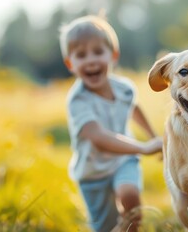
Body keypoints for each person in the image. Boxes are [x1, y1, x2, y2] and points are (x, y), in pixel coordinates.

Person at [59, 15, 163, 232]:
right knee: (104, 227)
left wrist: (153, 136)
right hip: (92, 172)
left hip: (123, 160)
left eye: (98, 52)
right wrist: (143, 148)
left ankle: (130, 228)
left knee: (129, 195)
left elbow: (132, 107)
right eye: (81, 55)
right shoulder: (78, 100)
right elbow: (97, 136)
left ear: (113, 55)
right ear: (70, 63)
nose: (91, 60)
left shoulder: (123, 88)